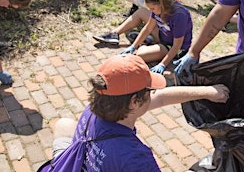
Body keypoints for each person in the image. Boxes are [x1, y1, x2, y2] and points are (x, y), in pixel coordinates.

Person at [38, 54, 229, 172]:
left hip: (76, 162)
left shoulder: (96, 109)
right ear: (134, 102)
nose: (154, 94)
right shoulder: (135, 158)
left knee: (64, 124)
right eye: (150, 91)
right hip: (117, 159)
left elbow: (161, 98)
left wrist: (207, 91)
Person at [119, 0, 192, 75]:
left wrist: (162, 64)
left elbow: (177, 45)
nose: (151, 11)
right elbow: (148, 28)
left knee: (140, 55)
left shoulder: (180, 16)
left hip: (173, 47)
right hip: (163, 34)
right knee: (141, 12)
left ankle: (150, 44)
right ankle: (114, 34)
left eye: (152, 8)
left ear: (161, 4)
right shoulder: (159, 8)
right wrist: (134, 46)